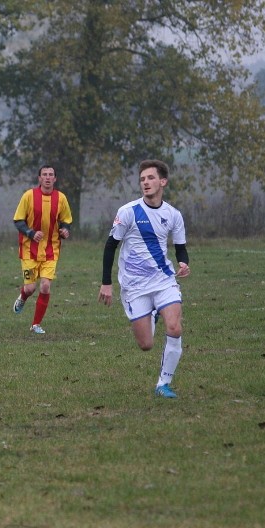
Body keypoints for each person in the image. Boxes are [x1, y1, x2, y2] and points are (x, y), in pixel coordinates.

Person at [98, 159, 190, 399]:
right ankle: (150, 314)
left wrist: (183, 263)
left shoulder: (173, 215)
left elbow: (180, 247)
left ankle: (163, 384)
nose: (146, 183)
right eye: (142, 179)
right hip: (134, 286)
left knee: (174, 327)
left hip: (163, 280)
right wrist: (106, 283)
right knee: (146, 344)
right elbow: (110, 247)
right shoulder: (128, 212)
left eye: (150, 178)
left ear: (163, 182)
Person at [11, 165, 73, 334]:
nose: (47, 177)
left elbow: (66, 220)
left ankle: (35, 324)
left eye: (50, 175)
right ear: (39, 178)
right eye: (44, 174)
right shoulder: (28, 196)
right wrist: (30, 233)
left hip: (51, 250)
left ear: (55, 179)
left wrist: (65, 230)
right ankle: (23, 297)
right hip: (29, 250)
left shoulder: (61, 198)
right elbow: (18, 220)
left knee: (45, 287)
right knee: (30, 288)